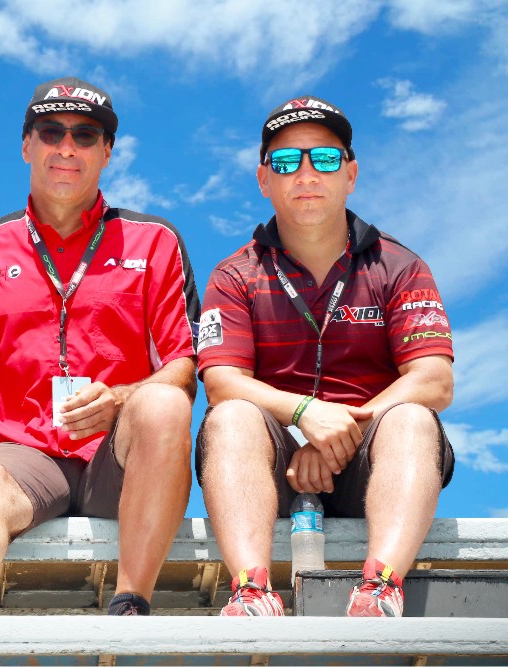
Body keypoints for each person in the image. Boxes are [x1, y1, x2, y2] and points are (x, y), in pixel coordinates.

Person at [0, 77, 200, 629]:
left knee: (166, 403)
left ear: (107, 151)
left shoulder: (155, 242)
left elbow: (183, 367)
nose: (67, 147)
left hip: (117, 458)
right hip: (17, 454)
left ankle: (130, 602)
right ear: (27, 145)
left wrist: (119, 398)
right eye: (51, 132)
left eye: (85, 134)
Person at [195, 95, 455, 617]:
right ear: (264, 180)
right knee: (230, 417)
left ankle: (380, 590)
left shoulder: (401, 266)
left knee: (412, 418)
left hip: (371, 458)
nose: (307, 173)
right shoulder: (234, 274)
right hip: (271, 466)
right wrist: (303, 414)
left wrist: (337, 434)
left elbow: (434, 379)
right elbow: (222, 381)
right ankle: (251, 593)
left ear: (350, 175)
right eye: (286, 161)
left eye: (326, 158)